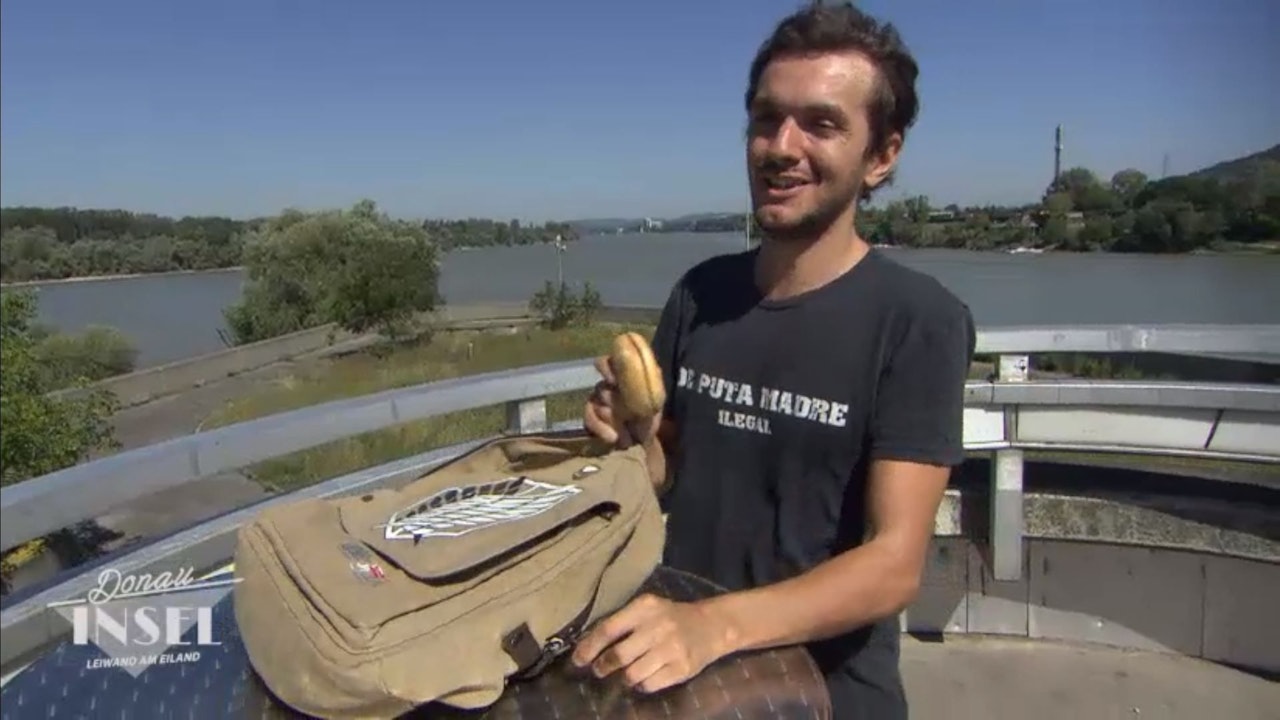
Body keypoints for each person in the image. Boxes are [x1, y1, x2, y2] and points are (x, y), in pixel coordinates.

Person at [570, 3, 975, 718]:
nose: (780, 146)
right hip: (681, 675)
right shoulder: (702, 292)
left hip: (823, 692)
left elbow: (892, 564)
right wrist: (630, 439)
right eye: (765, 118)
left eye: (821, 124)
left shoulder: (919, 321)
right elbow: (667, 471)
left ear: (881, 156)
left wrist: (715, 627)